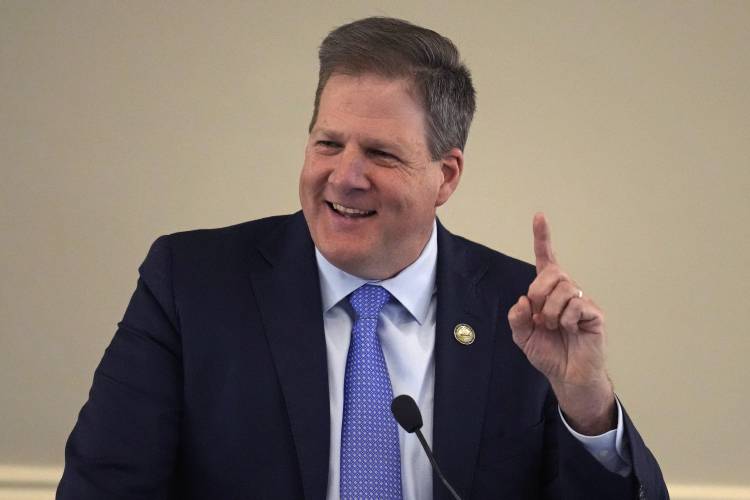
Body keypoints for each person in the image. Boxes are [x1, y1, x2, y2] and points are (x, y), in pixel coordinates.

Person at [57, 17, 668, 500]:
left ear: (445, 175)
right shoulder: (191, 284)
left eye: (379, 153)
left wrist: (585, 401)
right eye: (327, 143)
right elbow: (104, 485)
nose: (344, 176)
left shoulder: (522, 311)